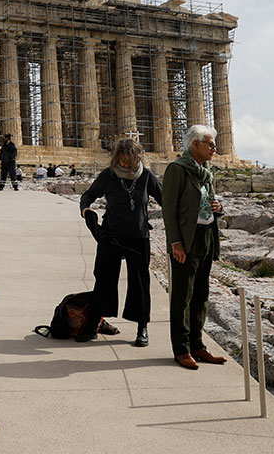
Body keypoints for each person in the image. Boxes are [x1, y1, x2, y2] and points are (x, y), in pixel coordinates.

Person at [79, 138, 163, 346]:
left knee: (140, 282)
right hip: (111, 234)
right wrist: (85, 210)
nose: (124, 164)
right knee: (104, 279)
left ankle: (142, 327)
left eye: (128, 161)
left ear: (136, 158)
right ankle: (94, 323)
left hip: (138, 235)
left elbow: (165, 200)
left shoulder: (146, 176)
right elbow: (89, 195)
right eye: (121, 160)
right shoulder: (109, 175)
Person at [163, 125, 227, 370]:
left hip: (206, 235)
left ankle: (197, 345)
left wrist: (218, 208)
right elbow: (169, 209)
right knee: (183, 296)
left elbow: (210, 201)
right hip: (186, 240)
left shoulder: (206, 171)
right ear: (195, 145)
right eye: (210, 144)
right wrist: (175, 243)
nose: (214, 149)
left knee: (201, 294)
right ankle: (181, 349)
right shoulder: (177, 170)